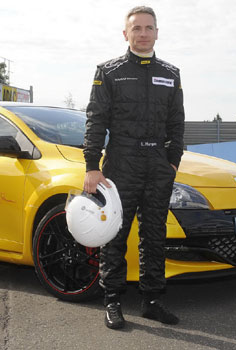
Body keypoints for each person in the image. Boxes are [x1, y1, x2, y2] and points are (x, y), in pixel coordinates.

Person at [83, 6, 185, 329]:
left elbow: (176, 123)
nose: (143, 34)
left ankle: (152, 300)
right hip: (121, 164)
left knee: (155, 235)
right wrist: (91, 164)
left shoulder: (171, 74)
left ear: (157, 33)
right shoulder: (108, 72)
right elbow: (95, 120)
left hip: (158, 165)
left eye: (149, 28)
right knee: (115, 234)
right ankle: (112, 300)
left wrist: (173, 162)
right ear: (125, 34)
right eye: (137, 28)